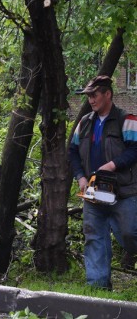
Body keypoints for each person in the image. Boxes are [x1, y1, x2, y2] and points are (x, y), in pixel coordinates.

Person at [68, 75, 137, 289]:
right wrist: (80, 176)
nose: (91, 99)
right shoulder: (85, 122)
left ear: (108, 94)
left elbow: (136, 149)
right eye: (88, 96)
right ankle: (98, 288)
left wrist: (113, 164)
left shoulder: (127, 119)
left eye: (94, 95)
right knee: (94, 236)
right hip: (94, 191)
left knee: (130, 233)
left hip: (124, 191)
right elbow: (72, 151)